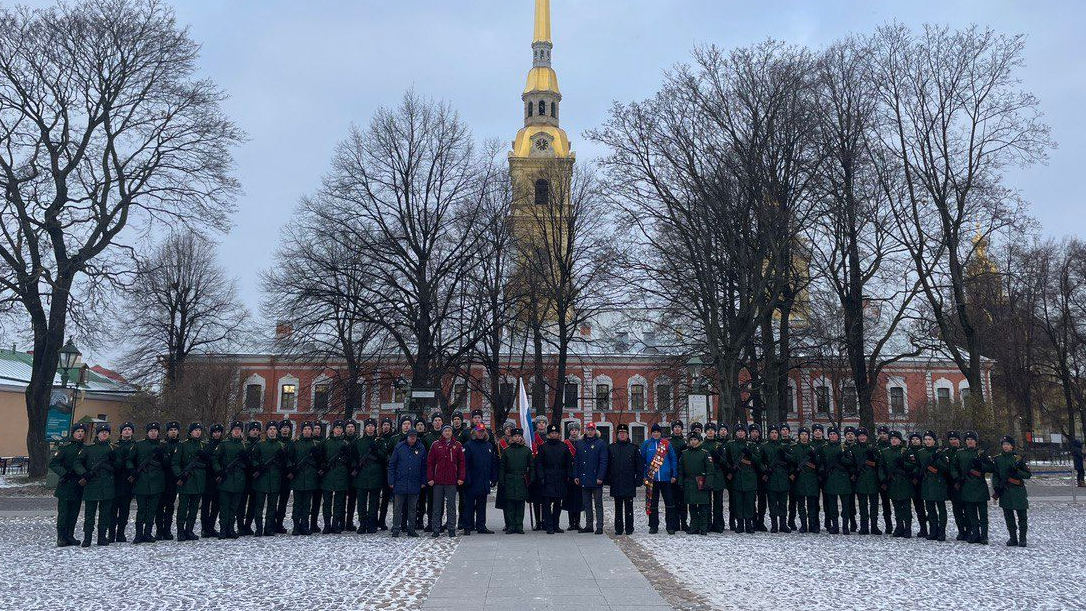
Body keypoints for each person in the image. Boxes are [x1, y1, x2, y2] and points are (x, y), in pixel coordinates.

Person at [77, 423, 117, 547]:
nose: (104, 434)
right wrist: (84, 474)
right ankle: (87, 538)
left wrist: (115, 460)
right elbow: (77, 463)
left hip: (107, 485)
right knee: (90, 514)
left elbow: (119, 467)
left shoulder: (113, 449)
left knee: (105, 514)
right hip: (92, 484)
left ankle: (102, 537)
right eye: (102, 432)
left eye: (106, 432)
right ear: (98, 434)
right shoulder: (89, 449)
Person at [951, 430, 992, 544]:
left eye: (972, 440)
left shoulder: (981, 453)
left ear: (976, 441)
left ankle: (984, 536)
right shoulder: (960, 453)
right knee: (971, 514)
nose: (970, 442)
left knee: (983, 514)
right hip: (966, 486)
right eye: (968, 440)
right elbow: (953, 467)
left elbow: (991, 468)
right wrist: (957, 478)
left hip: (980, 487)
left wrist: (981, 466)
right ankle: (975, 534)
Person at [49, 423, 86, 547]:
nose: (80, 433)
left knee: (74, 512)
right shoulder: (65, 448)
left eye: (82, 431)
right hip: (66, 485)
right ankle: (61, 537)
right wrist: (64, 473)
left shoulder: (86, 449)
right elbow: (53, 463)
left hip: (78, 485)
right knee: (64, 512)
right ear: (73, 433)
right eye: (78, 431)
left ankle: (70, 535)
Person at [427, 424, 465, 538]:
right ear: (442, 433)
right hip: (438, 481)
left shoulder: (457, 445)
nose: (447, 433)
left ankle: (451, 528)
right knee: (437, 506)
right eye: (445, 431)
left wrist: (461, 477)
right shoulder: (435, 445)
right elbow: (430, 463)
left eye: (449, 431)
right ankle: (436, 528)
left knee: (451, 506)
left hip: (451, 481)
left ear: (451, 433)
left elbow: (462, 463)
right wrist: (430, 478)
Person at [172, 422, 208, 542]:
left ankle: (189, 530)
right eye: (195, 430)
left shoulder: (203, 445)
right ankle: (180, 532)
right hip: (186, 481)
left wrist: (204, 459)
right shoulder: (183, 445)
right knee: (183, 508)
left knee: (194, 508)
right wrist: (180, 475)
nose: (198, 432)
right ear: (190, 432)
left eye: (199, 430)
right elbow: (175, 463)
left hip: (199, 481)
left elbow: (207, 464)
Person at [992, 435, 1030, 547]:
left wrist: (1017, 472)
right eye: (1004, 445)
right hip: (1005, 491)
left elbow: (1028, 474)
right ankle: (1012, 538)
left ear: (1012, 446)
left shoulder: (1017, 459)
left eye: (1008, 444)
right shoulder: (998, 459)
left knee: (1022, 517)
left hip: (1018, 491)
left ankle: (1022, 539)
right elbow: (996, 475)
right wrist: (996, 488)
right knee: (1009, 517)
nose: (1005, 447)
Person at [536, 424, 574, 534]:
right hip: (547, 477)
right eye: (552, 433)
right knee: (547, 504)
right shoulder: (543, 446)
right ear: (549, 434)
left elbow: (568, 463)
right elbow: (539, 463)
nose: (554, 435)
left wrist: (569, 476)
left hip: (560, 477)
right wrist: (541, 476)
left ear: (559, 434)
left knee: (558, 503)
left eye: (556, 433)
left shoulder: (564, 446)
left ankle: (556, 524)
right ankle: (549, 525)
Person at [640, 423, 678, 534]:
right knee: (653, 504)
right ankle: (653, 526)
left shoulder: (666, 444)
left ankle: (670, 526)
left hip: (666, 479)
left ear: (660, 433)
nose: (656, 434)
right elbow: (642, 462)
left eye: (658, 432)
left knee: (670, 503)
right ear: (651, 433)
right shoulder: (646, 445)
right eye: (654, 432)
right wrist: (644, 476)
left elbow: (673, 459)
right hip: (652, 479)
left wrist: (674, 474)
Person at [388, 428, 427, 538]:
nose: (412, 438)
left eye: (414, 436)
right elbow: (392, 465)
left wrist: (424, 480)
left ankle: (411, 529)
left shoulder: (421, 448)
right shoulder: (399, 447)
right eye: (411, 436)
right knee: (397, 508)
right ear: (407, 436)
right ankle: (396, 529)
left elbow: (424, 466)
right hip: (400, 482)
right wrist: (391, 480)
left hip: (414, 482)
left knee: (413, 509)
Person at [249, 421, 284, 537]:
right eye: (270, 429)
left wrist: (281, 460)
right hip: (261, 480)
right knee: (259, 506)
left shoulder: (281, 445)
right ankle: (259, 529)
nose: (272, 431)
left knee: (272, 506)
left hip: (274, 480)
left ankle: (268, 528)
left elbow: (285, 463)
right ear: (267, 431)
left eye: (274, 429)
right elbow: (253, 459)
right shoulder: (260, 444)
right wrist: (258, 466)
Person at [879, 431, 915, 538]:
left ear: (900, 440)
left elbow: (913, 465)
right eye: (892, 438)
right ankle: (899, 527)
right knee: (897, 507)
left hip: (905, 482)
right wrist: (883, 479)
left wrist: (904, 464)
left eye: (896, 438)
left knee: (907, 507)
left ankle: (907, 528)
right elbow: (881, 467)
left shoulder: (906, 451)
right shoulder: (885, 452)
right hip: (892, 482)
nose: (894, 440)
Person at [575, 422, 609, 534]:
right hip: (584, 478)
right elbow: (576, 461)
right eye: (588, 429)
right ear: (585, 430)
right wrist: (576, 475)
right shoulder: (580, 443)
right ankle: (589, 525)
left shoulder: (600, 443)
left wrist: (600, 476)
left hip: (595, 479)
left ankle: (599, 526)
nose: (590, 431)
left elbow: (603, 462)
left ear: (595, 431)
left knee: (598, 504)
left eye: (592, 429)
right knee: (586, 504)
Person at [351, 419, 384, 534]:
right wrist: (356, 467)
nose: (370, 428)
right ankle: (362, 523)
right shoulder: (358, 442)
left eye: (372, 426)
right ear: (365, 428)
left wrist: (377, 452)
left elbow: (384, 458)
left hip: (375, 475)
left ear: (375, 428)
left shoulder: (380, 442)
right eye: (368, 426)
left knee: (374, 502)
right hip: (362, 475)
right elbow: (354, 458)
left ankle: (372, 524)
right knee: (361, 502)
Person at [463, 425, 498, 534]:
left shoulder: (489, 446)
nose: (481, 433)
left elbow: (492, 463)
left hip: (483, 480)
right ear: (474, 432)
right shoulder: (468, 445)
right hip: (472, 481)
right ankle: (468, 527)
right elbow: (465, 464)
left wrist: (493, 477)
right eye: (479, 431)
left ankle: (481, 526)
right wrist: (466, 479)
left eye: (483, 431)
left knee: (481, 505)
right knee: (469, 505)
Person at [727, 424, 762, 534]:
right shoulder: (730, 445)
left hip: (749, 478)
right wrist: (730, 469)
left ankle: (748, 524)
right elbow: (727, 459)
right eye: (738, 431)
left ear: (746, 433)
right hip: (736, 477)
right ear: (735, 433)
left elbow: (758, 461)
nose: (740, 433)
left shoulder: (751, 445)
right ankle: (740, 524)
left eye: (742, 431)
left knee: (749, 503)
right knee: (738, 503)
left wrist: (750, 455)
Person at [288, 421, 320, 535]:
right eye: (305, 429)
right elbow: (289, 459)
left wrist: (316, 456)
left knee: (307, 504)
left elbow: (320, 462)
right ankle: (296, 526)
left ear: (312, 431)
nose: (307, 431)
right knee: (297, 504)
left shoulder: (316, 444)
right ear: (302, 430)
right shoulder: (295, 444)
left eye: (309, 429)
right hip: (298, 478)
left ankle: (305, 525)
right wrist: (292, 469)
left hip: (310, 478)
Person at [607, 423, 641, 535]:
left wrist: (639, 479)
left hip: (629, 481)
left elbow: (639, 466)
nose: (622, 435)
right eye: (620, 433)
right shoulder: (611, 448)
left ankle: (629, 528)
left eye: (624, 433)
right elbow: (608, 465)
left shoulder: (634, 448)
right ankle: (618, 528)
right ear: (617, 435)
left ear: (627, 434)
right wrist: (608, 479)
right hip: (616, 481)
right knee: (618, 507)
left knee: (629, 507)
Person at [499, 428, 533, 534]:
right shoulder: (507, 451)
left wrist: (531, 479)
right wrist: (501, 480)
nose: (517, 438)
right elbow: (502, 467)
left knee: (520, 504)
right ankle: (511, 526)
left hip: (521, 480)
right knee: (510, 505)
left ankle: (519, 526)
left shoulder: (527, 451)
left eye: (519, 436)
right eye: (515, 436)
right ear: (512, 438)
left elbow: (531, 466)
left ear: (521, 437)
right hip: (509, 479)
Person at [319, 420, 351, 533]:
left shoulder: (346, 444)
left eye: (340, 428)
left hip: (341, 475)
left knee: (339, 502)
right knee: (327, 502)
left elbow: (350, 460)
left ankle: (335, 524)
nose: (338, 430)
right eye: (336, 427)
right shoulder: (326, 442)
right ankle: (327, 524)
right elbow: (321, 457)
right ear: (333, 429)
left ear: (343, 430)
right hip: (328, 475)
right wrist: (323, 465)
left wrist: (344, 457)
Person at [918, 430, 950, 541]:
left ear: (934, 441)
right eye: (925, 439)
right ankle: (933, 531)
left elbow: (946, 469)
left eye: (929, 439)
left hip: (939, 483)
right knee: (930, 509)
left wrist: (935, 460)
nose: (927, 441)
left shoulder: (940, 452)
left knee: (941, 509)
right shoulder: (921, 452)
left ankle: (942, 532)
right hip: (926, 484)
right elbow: (918, 468)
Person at [678, 431, 712, 535]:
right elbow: (681, 470)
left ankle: (703, 527)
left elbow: (710, 470)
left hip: (701, 483)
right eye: (691, 440)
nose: (693, 442)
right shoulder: (684, 454)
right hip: (689, 483)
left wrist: (708, 482)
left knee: (703, 507)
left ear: (699, 441)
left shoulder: (705, 453)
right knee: (692, 507)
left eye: (695, 439)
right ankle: (694, 526)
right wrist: (681, 482)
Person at [788, 427, 821, 533]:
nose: (804, 436)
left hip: (811, 479)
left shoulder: (813, 448)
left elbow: (819, 463)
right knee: (801, 504)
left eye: (806, 434)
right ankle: (803, 525)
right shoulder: (794, 448)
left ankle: (812, 525)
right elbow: (792, 462)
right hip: (799, 479)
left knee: (812, 504)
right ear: (799, 436)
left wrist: (814, 458)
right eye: (802, 434)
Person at [761, 425, 791, 533]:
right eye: (772, 432)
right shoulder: (764, 447)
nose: (774, 434)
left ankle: (783, 524)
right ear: (769, 434)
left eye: (776, 432)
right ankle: (774, 524)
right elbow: (760, 461)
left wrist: (785, 455)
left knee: (783, 503)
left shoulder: (784, 446)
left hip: (783, 477)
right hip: (771, 478)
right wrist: (765, 470)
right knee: (772, 503)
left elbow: (792, 460)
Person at [851, 428, 881, 535]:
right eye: (860, 436)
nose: (862, 437)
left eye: (864, 436)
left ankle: (874, 526)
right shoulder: (854, 449)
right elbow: (851, 462)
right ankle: (864, 527)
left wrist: (874, 457)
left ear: (867, 437)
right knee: (862, 505)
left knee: (874, 505)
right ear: (857, 437)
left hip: (873, 480)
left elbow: (879, 463)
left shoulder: (872, 448)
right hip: (861, 480)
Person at [156, 420, 182, 540]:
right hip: (161, 478)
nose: (173, 432)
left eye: (175, 430)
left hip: (173, 479)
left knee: (170, 506)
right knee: (160, 506)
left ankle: (167, 530)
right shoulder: (161, 445)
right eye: (171, 430)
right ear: (167, 432)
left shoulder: (180, 445)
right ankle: (159, 530)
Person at [110, 422, 135, 542]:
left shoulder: (135, 446)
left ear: (132, 432)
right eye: (124, 429)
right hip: (115, 480)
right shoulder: (114, 446)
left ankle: (121, 533)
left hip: (128, 481)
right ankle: (111, 533)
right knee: (113, 510)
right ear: (121, 432)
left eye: (129, 429)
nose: (127, 431)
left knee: (125, 510)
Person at [238, 421, 263, 536]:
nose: (255, 432)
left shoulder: (261, 444)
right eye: (253, 430)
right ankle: (240, 526)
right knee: (241, 503)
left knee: (253, 504)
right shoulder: (244, 444)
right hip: (244, 477)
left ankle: (248, 525)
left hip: (256, 478)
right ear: (249, 431)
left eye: (257, 430)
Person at [701, 423, 728, 533]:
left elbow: (724, 462)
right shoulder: (702, 445)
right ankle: (707, 523)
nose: (710, 432)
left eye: (712, 430)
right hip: (706, 476)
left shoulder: (719, 445)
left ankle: (718, 524)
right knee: (707, 502)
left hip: (717, 475)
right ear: (706, 432)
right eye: (708, 430)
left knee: (718, 502)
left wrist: (718, 457)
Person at [200, 423, 223, 538]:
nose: (216, 434)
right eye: (214, 432)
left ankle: (211, 527)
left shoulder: (223, 445)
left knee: (216, 505)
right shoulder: (206, 446)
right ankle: (205, 528)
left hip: (219, 478)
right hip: (207, 479)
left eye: (218, 432)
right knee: (205, 505)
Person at [906, 432, 928, 537]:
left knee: (922, 507)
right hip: (909, 482)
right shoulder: (907, 451)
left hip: (921, 481)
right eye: (913, 439)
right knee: (914, 506)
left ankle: (924, 528)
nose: (915, 441)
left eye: (917, 439)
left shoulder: (922, 451)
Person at [274, 419, 294, 534]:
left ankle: (280, 523)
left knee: (283, 502)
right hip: (276, 474)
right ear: (280, 429)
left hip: (287, 476)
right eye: (283, 427)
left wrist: (291, 469)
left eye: (287, 427)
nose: (285, 429)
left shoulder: (292, 443)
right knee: (273, 501)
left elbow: (293, 458)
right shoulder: (276, 442)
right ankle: (271, 522)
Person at [529, 415, 549, 530]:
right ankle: (538, 522)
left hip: (547, 471)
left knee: (546, 499)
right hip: (535, 470)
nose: (541, 424)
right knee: (536, 499)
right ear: (536, 425)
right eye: (539, 422)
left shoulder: (549, 437)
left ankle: (546, 520)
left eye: (543, 422)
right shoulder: (532, 437)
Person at [944, 431, 965, 540]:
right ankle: (961, 531)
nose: (953, 441)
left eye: (955, 439)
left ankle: (969, 529)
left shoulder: (964, 451)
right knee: (957, 510)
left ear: (959, 440)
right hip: (952, 484)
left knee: (967, 509)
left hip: (965, 483)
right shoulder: (946, 452)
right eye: (951, 439)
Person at [562, 423, 583, 531]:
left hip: (579, 475)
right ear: (569, 432)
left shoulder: (582, 443)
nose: (574, 432)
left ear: (578, 431)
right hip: (569, 476)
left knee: (579, 500)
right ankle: (571, 523)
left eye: (576, 430)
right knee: (570, 499)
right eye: (572, 430)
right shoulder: (565, 444)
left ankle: (578, 522)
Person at [668, 421, 688, 531]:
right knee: (673, 501)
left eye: (679, 427)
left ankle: (684, 522)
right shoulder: (668, 442)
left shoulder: (685, 442)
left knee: (683, 501)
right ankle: (674, 523)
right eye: (675, 427)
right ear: (672, 429)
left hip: (683, 475)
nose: (677, 429)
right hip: (672, 475)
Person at [377, 417, 395, 529]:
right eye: (384, 425)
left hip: (391, 471)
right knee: (382, 499)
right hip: (380, 471)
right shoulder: (378, 439)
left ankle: (394, 522)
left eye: (388, 425)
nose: (386, 426)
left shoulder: (393, 439)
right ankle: (380, 520)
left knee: (391, 497)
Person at [875, 426, 893, 533]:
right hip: (881, 479)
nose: (882, 435)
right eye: (880, 433)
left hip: (893, 478)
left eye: (884, 433)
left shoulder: (892, 445)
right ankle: (888, 526)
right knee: (885, 504)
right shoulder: (876, 447)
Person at [343, 420, 359, 532]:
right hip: (342, 473)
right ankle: (339, 521)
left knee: (352, 500)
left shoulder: (357, 441)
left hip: (354, 474)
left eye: (352, 427)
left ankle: (349, 521)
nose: (350, 429)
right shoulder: (342, 441)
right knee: (341, 499)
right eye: (348, 427)